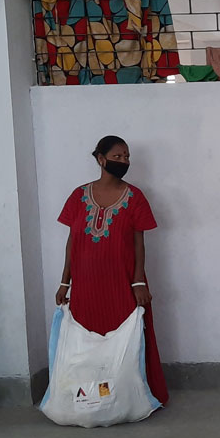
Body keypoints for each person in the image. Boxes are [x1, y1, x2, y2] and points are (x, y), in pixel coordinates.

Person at [55, 135, 167, 405]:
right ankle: (89, 401)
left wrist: (138, 282)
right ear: (100, 159)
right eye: (117, 156)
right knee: (86, 343)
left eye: (127, 157)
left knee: (126, 341)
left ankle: (126, 401)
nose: (124, 161)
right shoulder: (79, 196)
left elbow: (139, 243)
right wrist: (65, 282)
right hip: (86, 286)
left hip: (122, 283)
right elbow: (72, 241)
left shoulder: (135, 198)